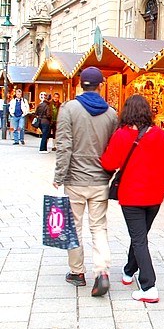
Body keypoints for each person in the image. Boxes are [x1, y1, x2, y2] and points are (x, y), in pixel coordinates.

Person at [102, 94, 164, 303]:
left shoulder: (120, 135)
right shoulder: (159, 135)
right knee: (140, 236)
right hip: (154, 196)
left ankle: (149, 286)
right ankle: (128, 271)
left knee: (139, 238)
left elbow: (109, 163)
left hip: (131, 196)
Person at [53, 67, 119, 297]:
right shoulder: (111, 113)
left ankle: (77, 272)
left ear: (80, 84)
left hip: (74, 179)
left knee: (74, 226)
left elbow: (64, 145)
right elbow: (114, 148)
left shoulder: (68, 109)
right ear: (100, 85)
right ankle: (101, 271)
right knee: (99, 226)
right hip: (100, 179)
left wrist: (59, 175)